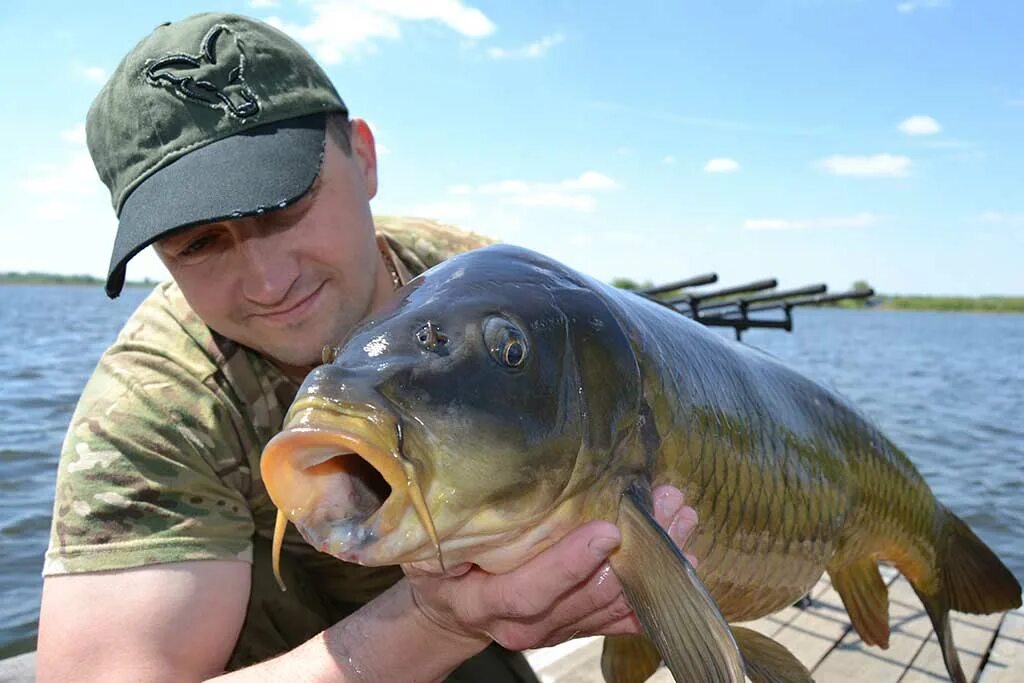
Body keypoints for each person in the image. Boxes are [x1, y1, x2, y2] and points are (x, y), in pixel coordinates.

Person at [36, 13, 699, 682]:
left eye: (284, 206)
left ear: (365, 158)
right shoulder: (156, 403)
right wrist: (440, 620)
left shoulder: (483, 283)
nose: (269, 282)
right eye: (198, 244)